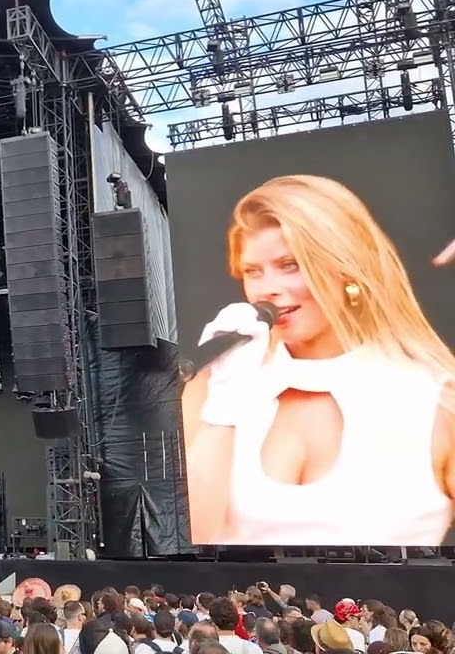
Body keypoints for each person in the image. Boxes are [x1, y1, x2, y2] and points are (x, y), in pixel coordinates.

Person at [182, 175, 455, 546]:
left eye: (290, 264)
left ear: (344, 266)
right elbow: (190, 541)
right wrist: (223, 407)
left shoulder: (435, 397)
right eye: (253, 271)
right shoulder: (210, 391)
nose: (268, 288)